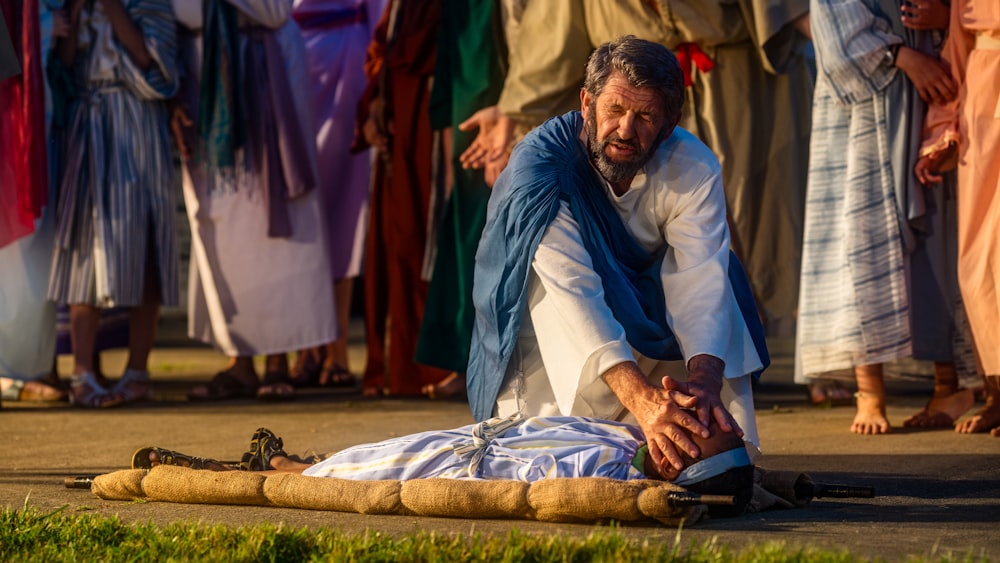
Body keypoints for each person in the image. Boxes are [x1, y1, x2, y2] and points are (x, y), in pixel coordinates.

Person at [466, 36, 769, 478]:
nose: (626, 130)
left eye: (645, 115)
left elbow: (700, 279)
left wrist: (703, 388)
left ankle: (683, 431)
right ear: (587, 103)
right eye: (615, 110)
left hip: (643, 312)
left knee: (723, 274)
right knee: (547, 289)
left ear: (670, 124)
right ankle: (590, 437)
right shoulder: (541, 168)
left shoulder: (693, 165)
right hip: (556, 314)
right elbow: (573, 287)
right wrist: (643, 401)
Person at [459, 0, 813, 341]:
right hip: (630, 89)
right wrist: (515, 112)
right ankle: (682, 350)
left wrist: (827, 39)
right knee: (656, 233)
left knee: (764, 211)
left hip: (736, 78)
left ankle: (762, 347)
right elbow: (553, 31)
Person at [796, 0, 973, 435]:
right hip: (864, 107)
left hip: (935, 86)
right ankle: (869, 389)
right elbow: (833, 19)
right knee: (860, 236)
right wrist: (901, 56)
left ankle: (949, 384)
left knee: (941, 234)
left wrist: (946, 17)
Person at [172, 0, 338, 402]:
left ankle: (277, 359)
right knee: (214, 217)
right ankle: (239, 358)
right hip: (200, 74)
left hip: (265, 67)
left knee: (275, 216)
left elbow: (275, 9)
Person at [132, 414, 755, 515]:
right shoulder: (625, 435)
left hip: (452, 466)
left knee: (340, 477)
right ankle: (288, 463)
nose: (699, 415)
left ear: (680, 464)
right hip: (465, 437)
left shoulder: (618, 475)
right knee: (357, 458)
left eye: (709, 428)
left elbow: (540, 481)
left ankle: (270, 470)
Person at [45, 0, 178, 408]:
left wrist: (111, 5)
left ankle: (138, 372)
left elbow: (147, 55)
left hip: (138, 119)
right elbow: (65, 65)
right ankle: (82, 372)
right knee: (85, 244)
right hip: (88, 121)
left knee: (148, 243)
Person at [352, 0, 451, 397]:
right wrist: (375, 102)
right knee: (395, 237)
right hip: (398, 112)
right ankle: (393, 367)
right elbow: (384, 44)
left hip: (434, 112)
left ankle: (428, 367)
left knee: (425, 236)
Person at [287, 0, 386, 389]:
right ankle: (302, 345)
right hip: (287, 58)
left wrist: (376, 83)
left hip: (347, 60)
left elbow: (379, 12)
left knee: (343, 205)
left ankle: (338, 347)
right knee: (295, 206)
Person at [914, 0, 1000, 436]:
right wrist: (945, 128)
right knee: (978, 260)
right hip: (984, 94)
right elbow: (957, 50)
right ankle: (996, 393)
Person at [412, 0, 505, 400]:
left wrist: (512, 120)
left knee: (500, 242)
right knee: (468, 240)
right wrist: (448, 131)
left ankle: (494, 365)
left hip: (507, 115)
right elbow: (449, 63)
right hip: (466, 119)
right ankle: (464, 363)